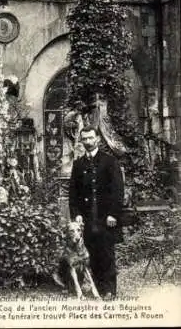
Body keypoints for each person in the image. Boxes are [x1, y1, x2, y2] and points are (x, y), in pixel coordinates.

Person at [69, 125, 124, 300]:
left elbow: (117, 190)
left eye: (90, 138)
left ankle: (109, 290)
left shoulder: (109, 161)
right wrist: (76, 214)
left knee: (106, 251)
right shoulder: (78, 164)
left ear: (98, 139)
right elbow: (73, 193)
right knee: (91, 252)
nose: (87, 141)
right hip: (86, 218)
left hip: (105, 216)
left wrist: (113, 214)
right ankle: (98, 288)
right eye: (84, 139)